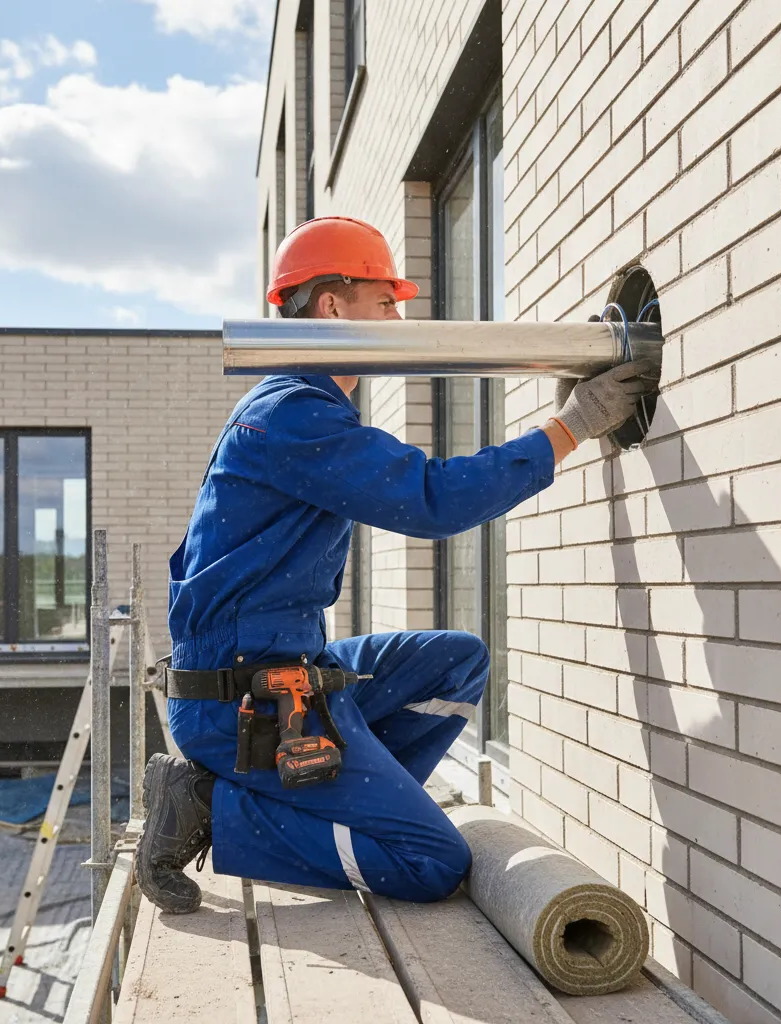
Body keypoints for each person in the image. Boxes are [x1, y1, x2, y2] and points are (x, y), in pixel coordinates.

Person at [136, 216, 651, 912]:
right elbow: (432, 500)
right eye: (385, 302)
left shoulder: (303, 406)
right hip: (241, 705)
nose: (399, 320)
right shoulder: (293, 413)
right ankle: (206, 801)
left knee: (457, 661)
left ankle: (345, 808)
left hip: (287, 671)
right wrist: (569, 429)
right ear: (330, 307)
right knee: (430, 862)